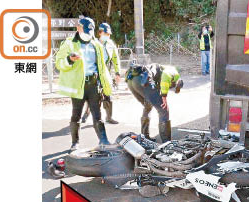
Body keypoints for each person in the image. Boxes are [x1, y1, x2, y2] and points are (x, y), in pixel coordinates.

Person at [55, 17, 112, 151]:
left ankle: (103, 140)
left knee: (97, 114)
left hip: (93, 84)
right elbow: (59, 63)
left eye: (89, 32)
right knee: (76, 114)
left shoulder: (96, 45)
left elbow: (102, 67)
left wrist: (106, 86)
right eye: (85, 31)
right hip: (78, 85)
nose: (87, 34)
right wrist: (70, 59)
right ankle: (75, 143)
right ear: (78, 28)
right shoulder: (69, 43)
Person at [126, 63, 183, 142]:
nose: (171, 87)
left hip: (132, 81)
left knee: (148, 105)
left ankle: (144, 137)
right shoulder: (173, 72)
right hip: (143, 80)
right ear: (177, 82)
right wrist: (164, 96)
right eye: (173, 86)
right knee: (163, 110)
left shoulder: (158, 70)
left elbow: (159, 85)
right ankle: (166, 142)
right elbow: (166, 77)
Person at [81, 22, 120, 124]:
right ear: (100, 33)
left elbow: (116, 60)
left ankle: (109, 117)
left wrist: (117, 73)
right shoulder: (93, 43)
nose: (107, 36)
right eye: (105, 33)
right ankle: (86, 114)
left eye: (108, 34)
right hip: (95, 73)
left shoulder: (111, 45)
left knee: (108, 94)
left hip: (106, 73)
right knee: (94, 95)